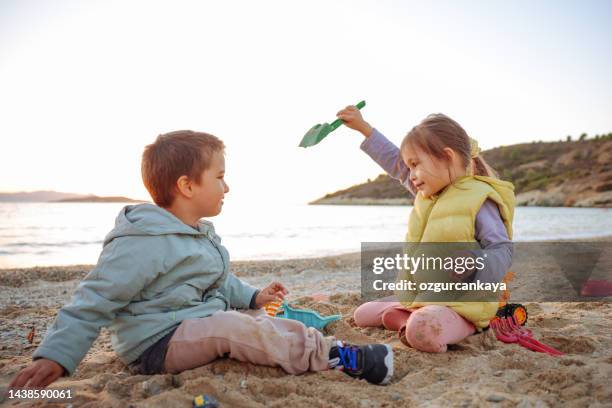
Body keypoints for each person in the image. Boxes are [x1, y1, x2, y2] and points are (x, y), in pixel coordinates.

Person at [9, 130, 393, 389]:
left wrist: (254, 295)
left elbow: (218, 280)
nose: (227, 186)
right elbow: (94, 299)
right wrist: (56, 357)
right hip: (156, 343)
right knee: (231, 327)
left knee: (257, 320)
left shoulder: (197, 233)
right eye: (220, 177)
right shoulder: (143, 240)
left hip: (194, 323)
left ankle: (299, 335)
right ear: (187, 185)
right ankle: (339, 357)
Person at [336, 106, 515, 353]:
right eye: (409, 167)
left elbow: (503, 250)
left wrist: (476, 263)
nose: (411, 175)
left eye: (415, 165)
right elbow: (394, 162)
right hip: (424, 296)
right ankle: (405, 320)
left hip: (462, 305)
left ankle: (440, 326)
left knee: (422, 329)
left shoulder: (480, 199)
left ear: (447, 157)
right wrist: (364, 128)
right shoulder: (428, 194)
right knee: (362, 313)